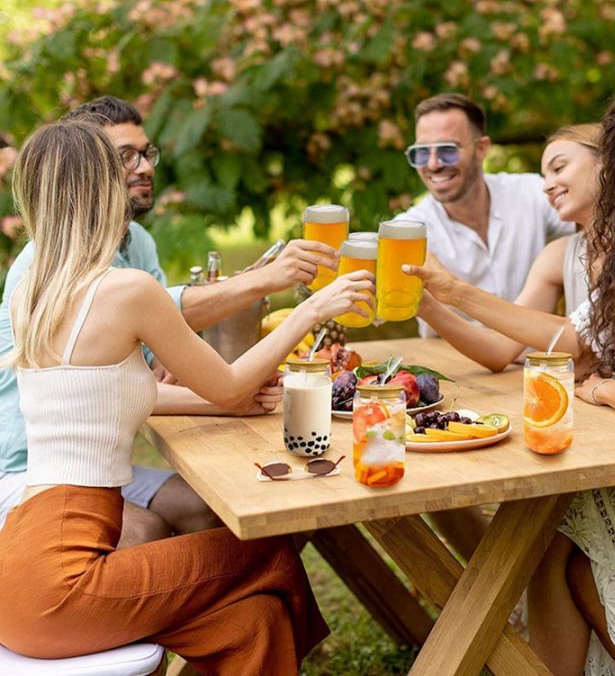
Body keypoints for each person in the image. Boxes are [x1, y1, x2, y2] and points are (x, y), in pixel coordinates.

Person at [0, 118, 374, 671]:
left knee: (254, 623)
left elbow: (110, 398)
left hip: (22, 567)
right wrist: (311, 310)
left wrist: (225, 401)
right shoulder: (126, 291)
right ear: (104, 190)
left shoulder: (33, 291)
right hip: (64, 582)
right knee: (271, 552)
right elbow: (230, 382)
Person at [405, 54, 615, 675]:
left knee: (554, 533)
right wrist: (450, 290)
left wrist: (601, 391)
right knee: (549, 542)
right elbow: (566, 337)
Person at [0, 96, 339, 542]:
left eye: (146, 153)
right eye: (123, 158)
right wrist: (292, 299)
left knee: (226, 513)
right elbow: (167, 317)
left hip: (97, 472)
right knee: (150, 533)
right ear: (91, 173)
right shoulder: (44, 271)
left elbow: (121, 381)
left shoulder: (135, 244)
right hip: (23, 473)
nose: (143, 167)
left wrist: (223, 399)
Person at [419, 123, 601, 373]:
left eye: (559, 168)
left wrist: (454, 290)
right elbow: (499, 350)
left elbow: (579, 342)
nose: (546, 186)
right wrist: (425, 304)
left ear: (610, 163)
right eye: (545, 176)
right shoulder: (558, 255)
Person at [397, 92, 573, 337]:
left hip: (529, 362)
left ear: (481, 149)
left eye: (448, 150)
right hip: (447, 362)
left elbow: (596, 224)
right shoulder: (409, 229)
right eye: (422, 153)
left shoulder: (530, 193)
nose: (434, 164)